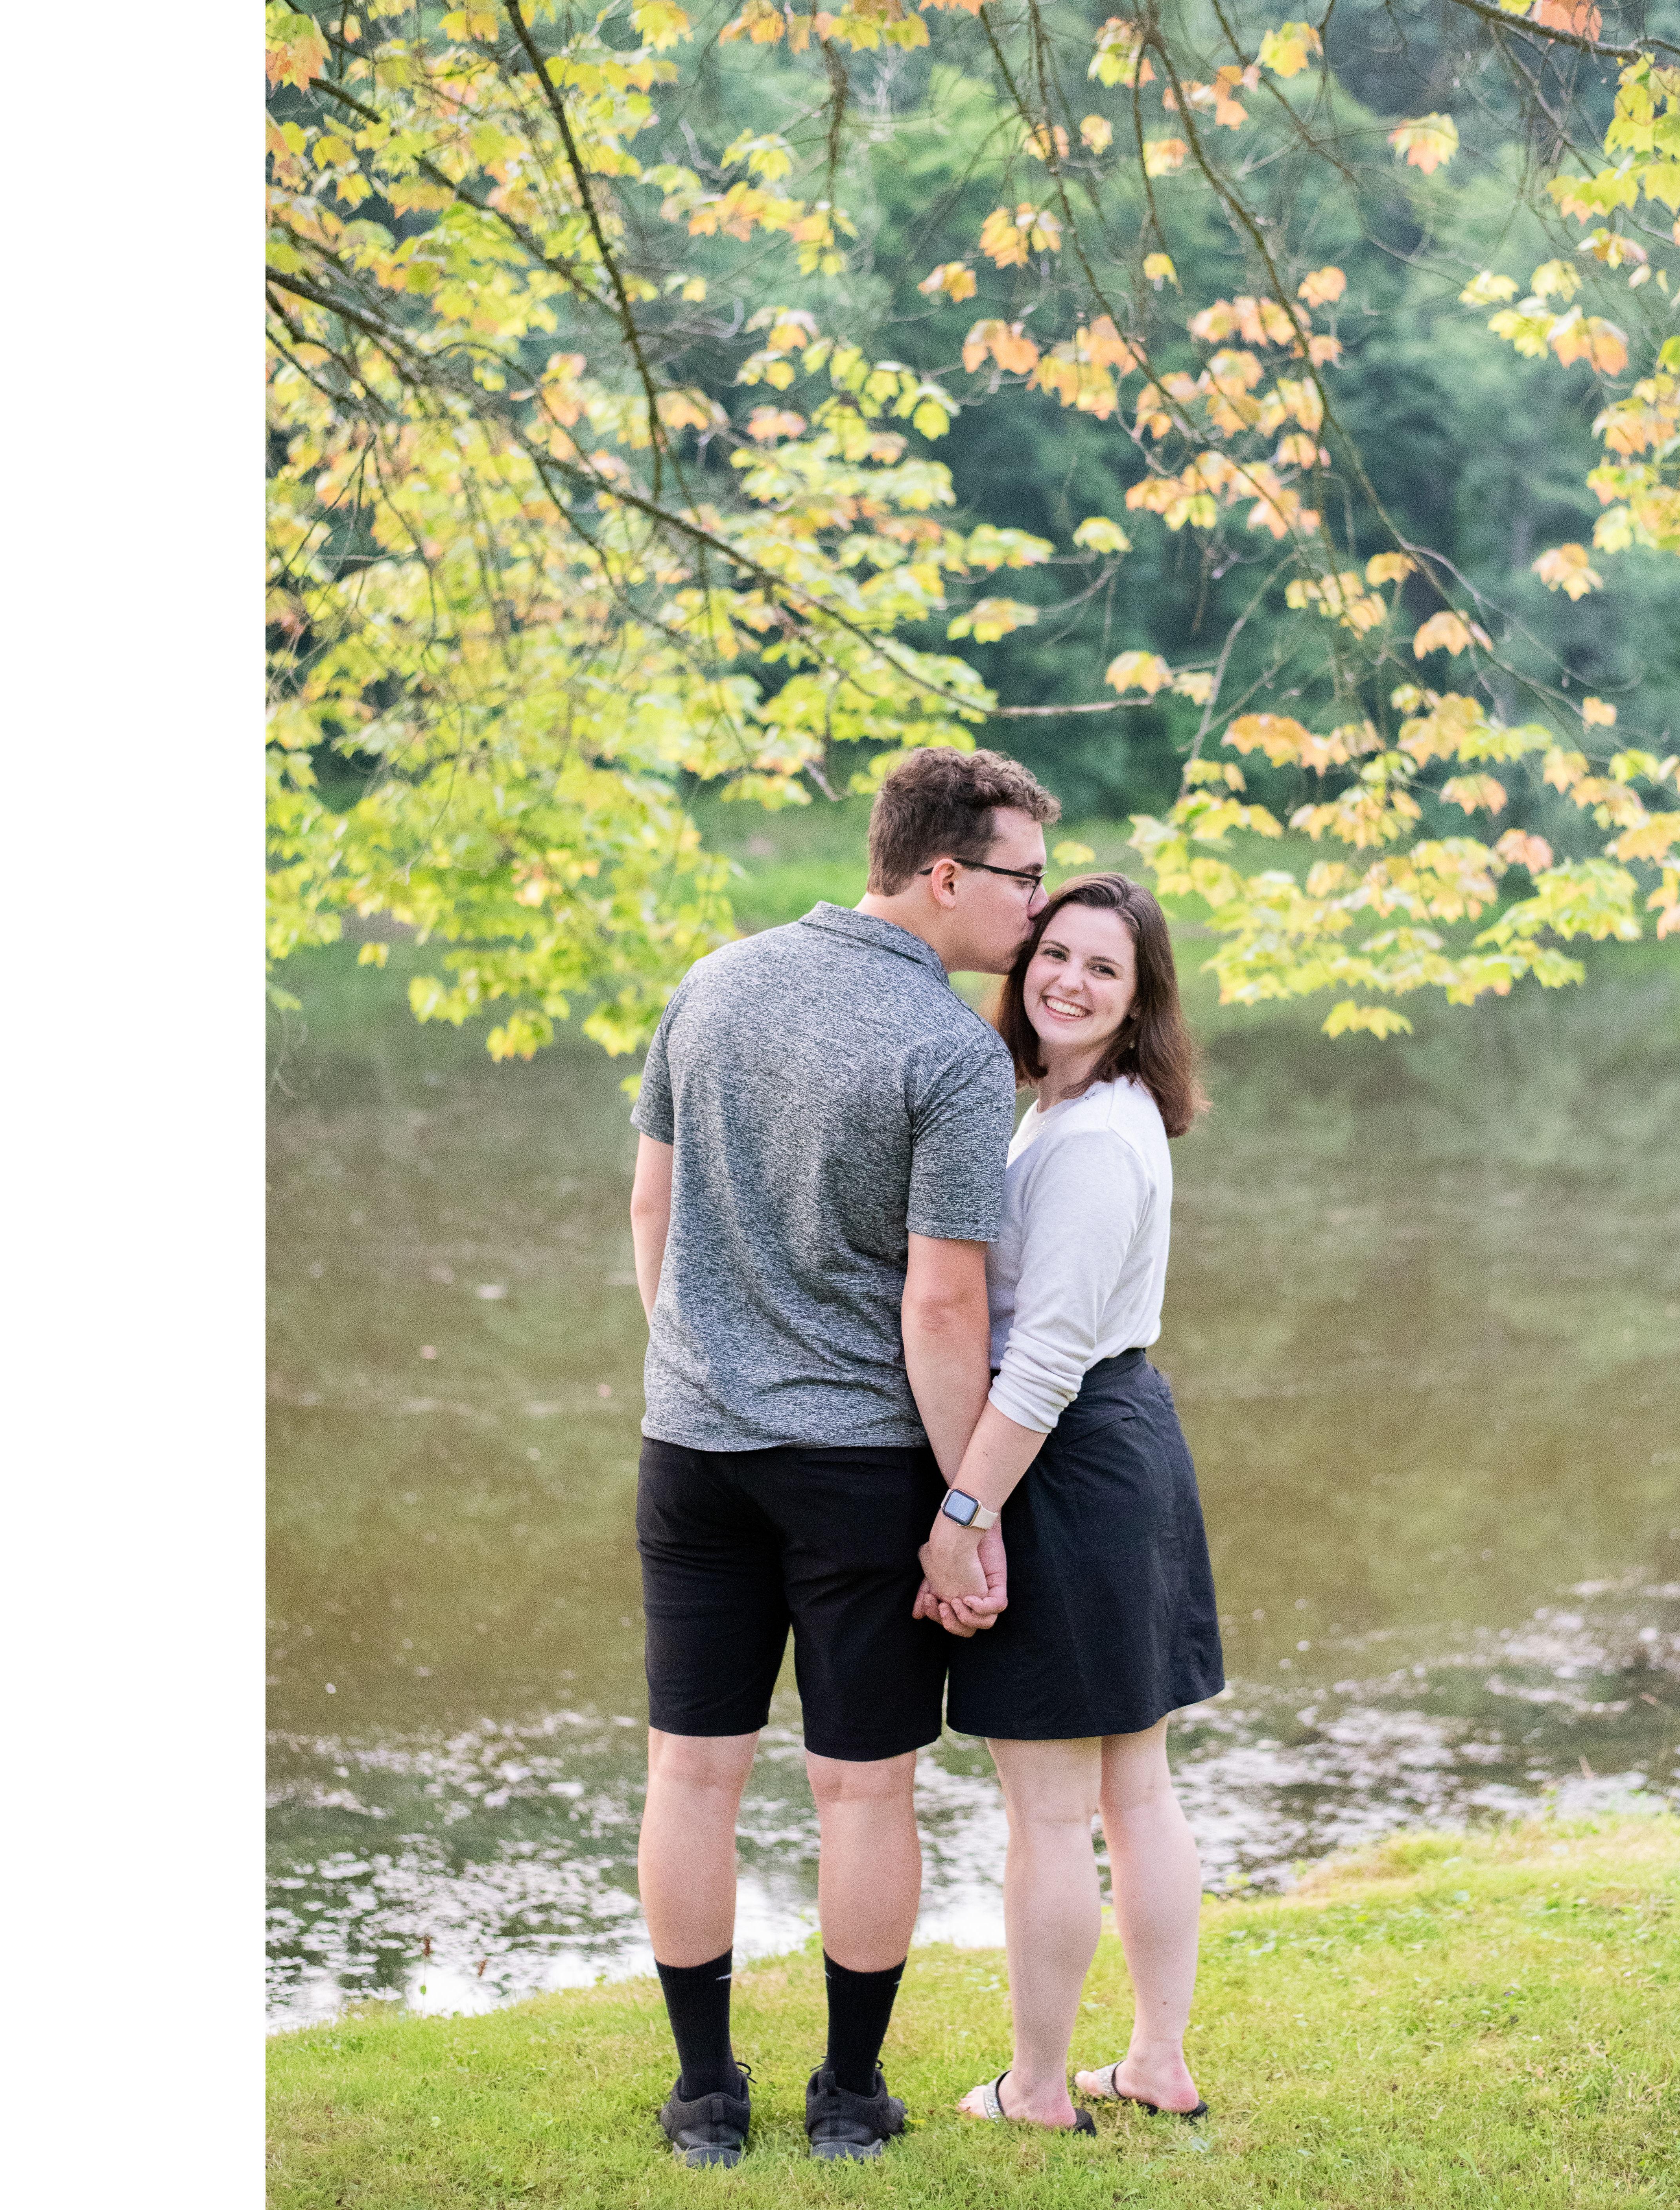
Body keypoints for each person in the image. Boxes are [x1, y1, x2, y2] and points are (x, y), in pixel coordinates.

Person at [626, 746, 1059, 2166]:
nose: (1038, 906)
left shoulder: (713, 981)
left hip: (690, 1445)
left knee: (692, 1773)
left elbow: (651, 1207)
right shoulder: (949, 1049)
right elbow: (941, 1306)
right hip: (858, 1464)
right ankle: (848, 2099)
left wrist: (700, 1359)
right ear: (943, 874)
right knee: (862, 1785)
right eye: (1023, 877)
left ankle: (705, 2096)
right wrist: (966, 1506)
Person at [916, 872, 1225, 2136]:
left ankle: (1040, 2088)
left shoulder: (1095, 1135)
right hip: (1106, 1444)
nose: (1069, 980)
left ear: (1140, 997)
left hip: (1066, 1455)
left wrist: (962, 1514)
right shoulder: (1067, 1107)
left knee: (1061, 1805)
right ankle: (1153, 2061)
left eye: (1105, 967)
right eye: (1056, 953)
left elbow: (1042, 1358)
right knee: (1132, 1790)